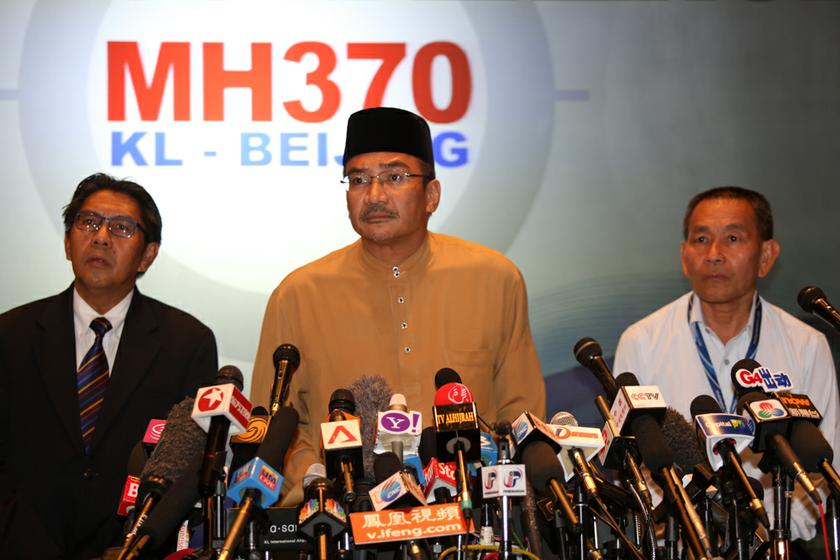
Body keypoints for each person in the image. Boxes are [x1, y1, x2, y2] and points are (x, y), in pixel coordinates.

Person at [250, 107, 545, 502]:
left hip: (471, 516)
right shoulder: (300, 292)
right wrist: (325, 483)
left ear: (432, 195)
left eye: (394, 177)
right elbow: (276, 426)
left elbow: (520, 410)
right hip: (339, 519)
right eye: (358, 179)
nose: (374, 195)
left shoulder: (494, 278)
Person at [0, 173, 218, 559]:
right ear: (68, 243)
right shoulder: (11, 334)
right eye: (88, 223)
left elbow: (189, 469)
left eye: (121, 228)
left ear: (147, 255)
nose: (100, 236)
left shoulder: (187, 342)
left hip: (135, 549)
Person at [614, 186, 840, 541]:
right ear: (683, 255)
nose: (714, 254)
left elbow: (822, 470)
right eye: (701, 239)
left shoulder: (806, 345)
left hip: (776, 541)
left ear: (766, 255)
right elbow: (637, 470)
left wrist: (766, 535)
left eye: (732, 238)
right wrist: (690, 533)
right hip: (677, 542)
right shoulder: (641, 342)